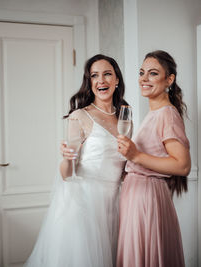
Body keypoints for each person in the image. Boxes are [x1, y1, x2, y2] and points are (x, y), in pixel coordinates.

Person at [24, 54, 128, 267]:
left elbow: (125, 165)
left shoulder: (125, 120)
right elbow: (67, 173)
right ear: (90, 83)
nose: (101, 80)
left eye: (107, 74)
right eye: (95, 76)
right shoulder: (80, 116)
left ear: (117, 80)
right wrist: (66, 158)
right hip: (84, 204)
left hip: (115, 204)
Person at [116, 50, 191, 267]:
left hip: (147, 198)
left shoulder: (167, 114)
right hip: (137, 195)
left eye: (153, 73)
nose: (144, 79)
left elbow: (182, 165)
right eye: (142, 73)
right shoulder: (155, 113)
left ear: (169, 79)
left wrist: (135, 155)